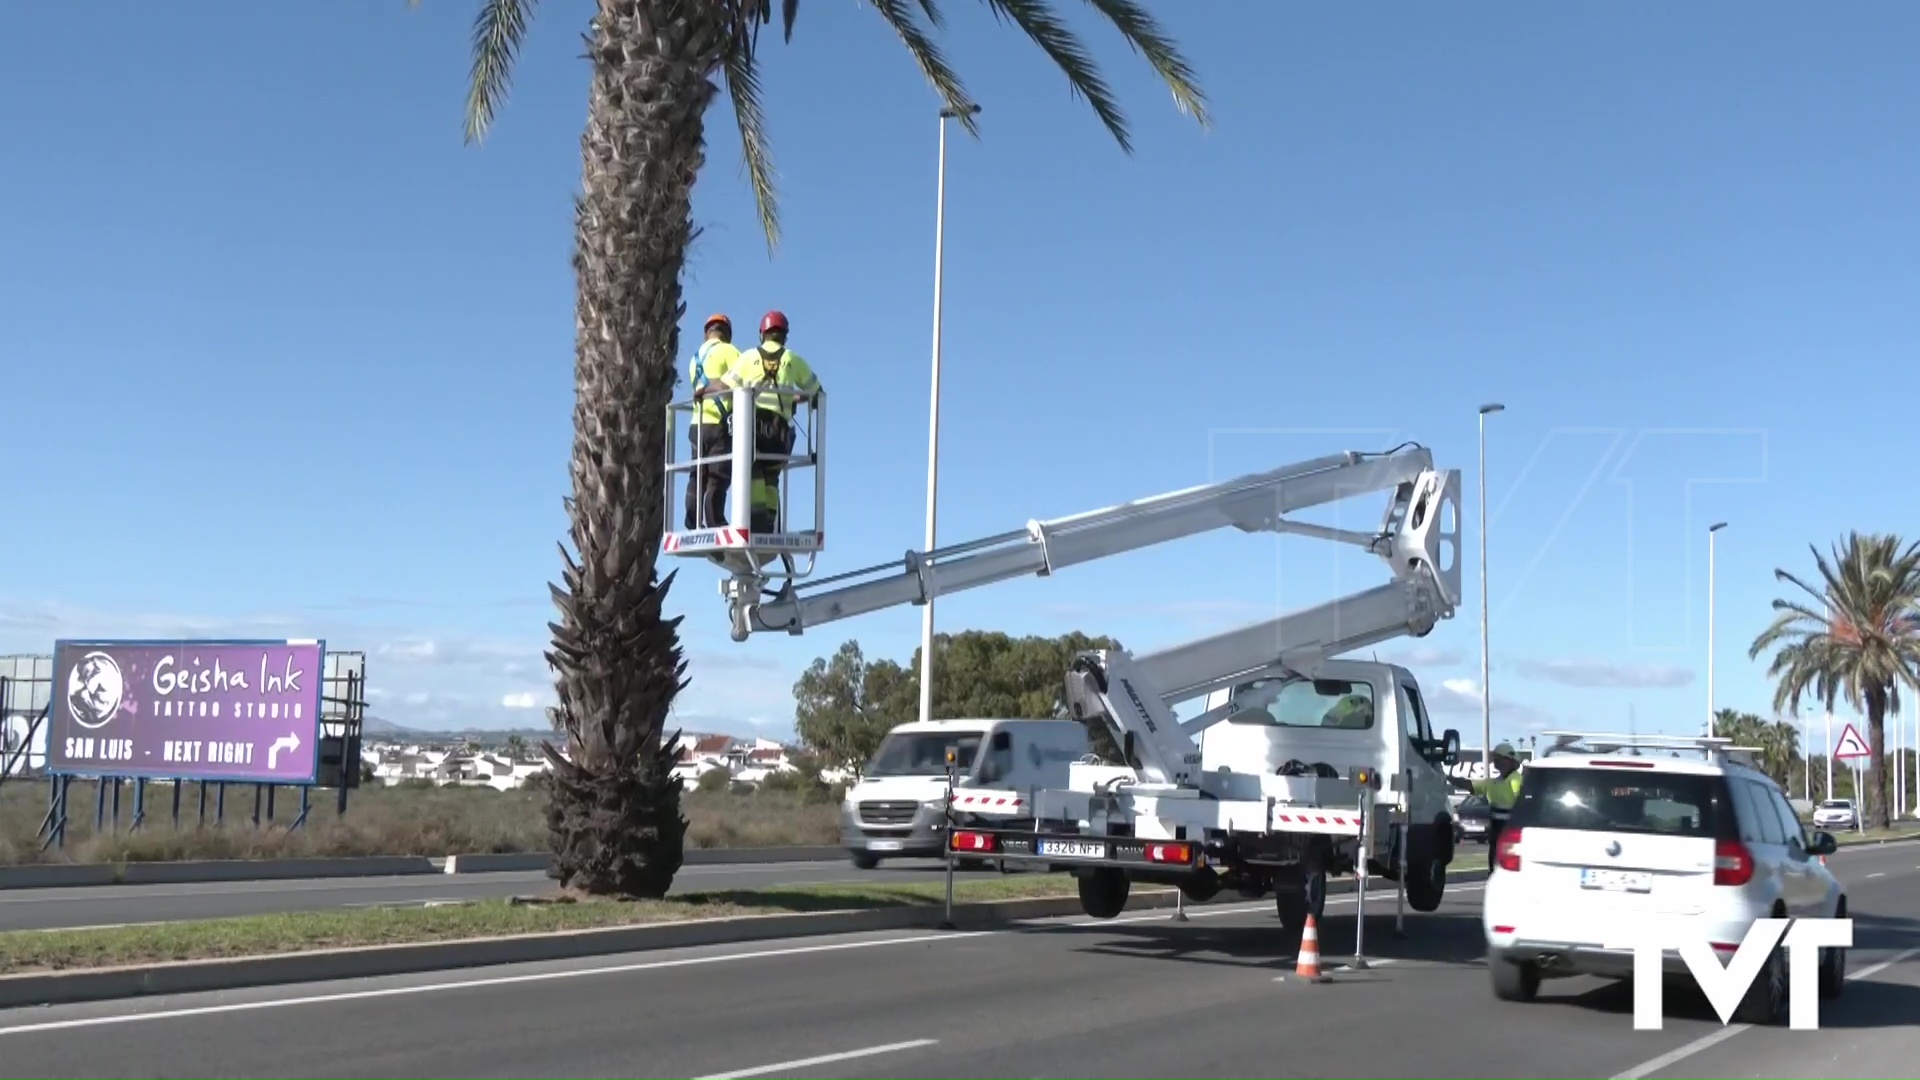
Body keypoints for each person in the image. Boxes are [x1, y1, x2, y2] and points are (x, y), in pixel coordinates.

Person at [730, 310, 821, 519]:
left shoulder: (747, 358)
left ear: (762, 333)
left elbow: (727, 389)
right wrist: (793, 399)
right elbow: (817, 393)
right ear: (784, 336)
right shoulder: (793, 360)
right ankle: (770, 519)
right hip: (779, 431)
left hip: (752, 428)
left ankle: (756, 517)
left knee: (753, 469)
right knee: (772, 476)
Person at [684, 313, 741, 530]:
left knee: (697, 474)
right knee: (718, 475)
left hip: (697, 424)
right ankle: (715, 521)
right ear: (727, 334)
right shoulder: (729, 351)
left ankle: (692, 521)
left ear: (706, 333)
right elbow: (743, 380)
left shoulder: (695, 359)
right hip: (719, 422)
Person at [1474, 742, 1526, 853]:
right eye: (1495, 757)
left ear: (1509, 760)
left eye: (1499, 757)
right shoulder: (1495, 781)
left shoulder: (1516, 780)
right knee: (1495, 854)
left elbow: (1521, 803)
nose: (1495, 760)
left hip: (1509, 829)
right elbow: (1471, 785)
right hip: (1497, 828)